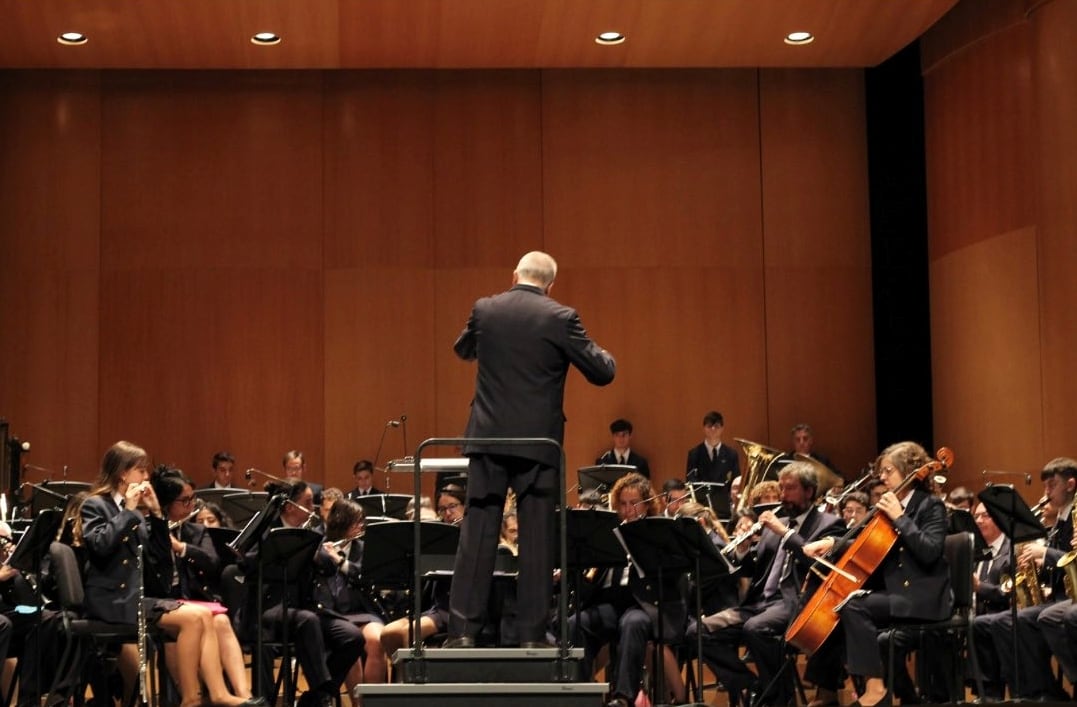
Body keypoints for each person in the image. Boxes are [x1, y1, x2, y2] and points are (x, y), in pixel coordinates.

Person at [444, 250, 615, 649]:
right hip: (538, 443)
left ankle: (463, 634)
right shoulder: (561, 318)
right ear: (551, 284)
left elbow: (462, 349)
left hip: (487, 438)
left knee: (478, 533)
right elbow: (602, 372)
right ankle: (532, 637)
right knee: (537, 538)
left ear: (515, 274)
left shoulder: (486, 309)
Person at [80, 441, 262, 707]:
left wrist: (155, 514)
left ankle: (218, 694)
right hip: (111, 601)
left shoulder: (139, 514)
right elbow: (99, 546)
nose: (145, 478)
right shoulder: (96, 505)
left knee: (203, 615)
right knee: (191, 620)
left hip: (136, 597)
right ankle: (190, 699)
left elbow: (160, 561)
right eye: (141, 471)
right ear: (123, 473)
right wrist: (129, 511)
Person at [805, 441, 953, 707]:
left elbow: (929, 551)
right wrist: (833, 544)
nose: (881, 477)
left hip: (923, 595)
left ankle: (875, 689)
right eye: (882, 471)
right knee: (838, 609)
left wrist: (900, 517)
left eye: (888, 471)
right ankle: (835, 689)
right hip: (897, 591)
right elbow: (871, 544)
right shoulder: (892, 505)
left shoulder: (930, 506)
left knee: (854, 606)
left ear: (909, 471)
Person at [695, 461, 846, 706]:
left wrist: (784, 533)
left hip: (795, 602)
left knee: (756, 628)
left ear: (809, 491)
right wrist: (744, 552)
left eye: (790, 488)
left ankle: (779, 699)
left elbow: (818, 566)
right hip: (759, 603)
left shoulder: (828, 524)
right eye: (782, 488)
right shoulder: (778, 523)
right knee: (698, 632)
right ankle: (756, 687)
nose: (783, 495)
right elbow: (756, 570)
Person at [240, 479, 363, 707]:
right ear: (289, 507)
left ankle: (314, 698)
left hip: (306, 606)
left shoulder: (309, 533)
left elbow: (326, 567)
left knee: (352, 636)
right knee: (307, 621)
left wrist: (319, 556)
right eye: (307, 502)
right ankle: (322, 692)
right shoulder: (267, 530)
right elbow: (245, 563)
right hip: (270, 607)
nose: (313, 508)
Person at [569, 472, 687, 707]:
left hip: (643, 602)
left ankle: (623, 697)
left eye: (633, 504)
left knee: (632, 624)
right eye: (622, 504)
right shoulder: (606, 533)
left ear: (646, 505)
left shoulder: (657, 533)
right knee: (576, 622)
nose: (627, 510)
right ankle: (581, 691)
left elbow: (673, 576)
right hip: (610, 601)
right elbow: (592, 581)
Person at [151, 466, 255, 702]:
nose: (191, 505)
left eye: (192, 499)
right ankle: (196, 696)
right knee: (201, 620)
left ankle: (243, 695)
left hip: (195, 599)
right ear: (167, 504)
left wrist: (181, 548)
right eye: (184, 500)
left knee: (221, 620)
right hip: (165, 601)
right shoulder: (151, 530)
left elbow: (212, 562)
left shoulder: (195, 531)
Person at [977, 457, 1075, 701]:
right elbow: (1061, 566)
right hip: (1058, 596)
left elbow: (1068, 558)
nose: (1046, 492)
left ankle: (1055, 691)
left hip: (1066, 599)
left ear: (1070, 484)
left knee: (1043, 617)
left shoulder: (1072, 518)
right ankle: (1034, 691)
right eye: (1045, 487)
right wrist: (1035, 565)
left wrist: (1047, 554)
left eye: (1051, 485)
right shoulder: (1059, 522)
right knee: (1007, 621)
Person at [314, 499, 387, 705]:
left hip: (361, 609)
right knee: (350, 646)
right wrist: (324, 556)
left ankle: (371, 703)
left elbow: (366, 577)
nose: (361, 526)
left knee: (376, 639)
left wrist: (341, 561)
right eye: (356, 521)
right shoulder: (319, 545)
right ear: (341, 522)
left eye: (361, 521)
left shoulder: (364, 548)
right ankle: (357, 704)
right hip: (333, 613)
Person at [685, 411, 739, 519]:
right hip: (702, 508)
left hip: (724, 507)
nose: (713, 429)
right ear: (704, 428)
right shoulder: (694, 453)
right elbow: (690, 482)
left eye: (717, 426)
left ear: (722, 428)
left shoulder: (731, 454)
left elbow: (736, 480)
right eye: (709, 426)